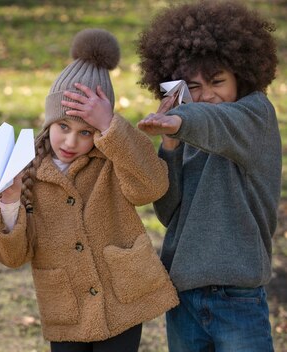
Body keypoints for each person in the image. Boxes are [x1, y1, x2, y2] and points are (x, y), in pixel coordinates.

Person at [0, 28, 179, 352]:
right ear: (49, 123)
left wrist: (111, 127)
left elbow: (152, 186)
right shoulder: (23, 168)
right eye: (63, 127)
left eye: (86, 131)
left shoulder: (114, 156)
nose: (72, 142)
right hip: (66, 307)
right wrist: (10, 201)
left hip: (123, 301)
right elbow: (12, 256)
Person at [136, 1, 280, 351]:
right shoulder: (185, 133)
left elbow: (215, 122)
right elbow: (169, 213)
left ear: (242, 75)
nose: (207, 96)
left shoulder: (254, 116)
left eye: (217, 81)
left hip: (239, 299)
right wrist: (169, 144)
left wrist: (181, 121)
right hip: (183, 297)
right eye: (193, 87)